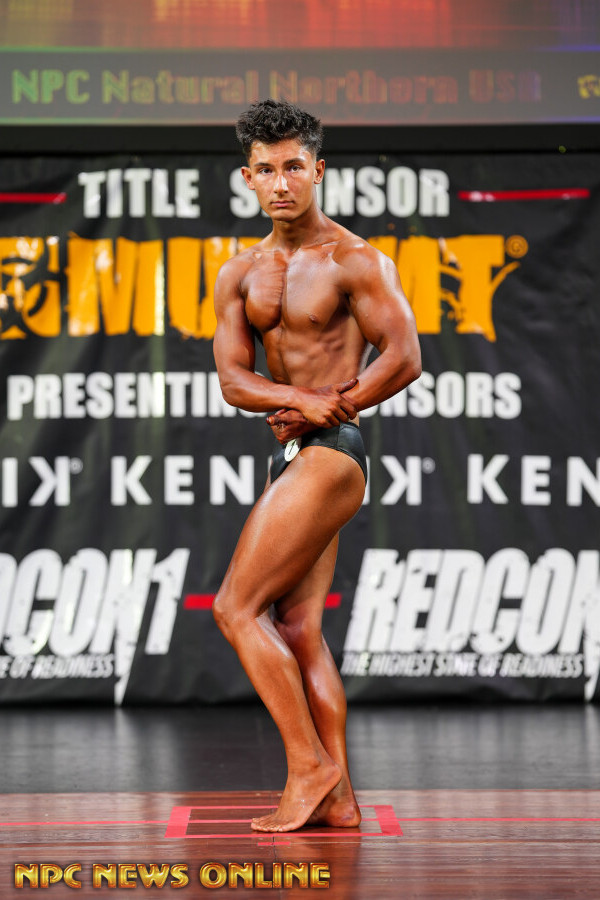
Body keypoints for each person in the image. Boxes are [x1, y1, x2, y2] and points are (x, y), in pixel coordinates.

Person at [212, 99, 421, 833]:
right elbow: (233, 380)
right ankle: (340, 799)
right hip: (293, 453)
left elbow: (404, 356)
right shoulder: (239, 273)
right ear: (247, 177)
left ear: (318, 170)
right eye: (266, 169)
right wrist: (297, 400)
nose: (281, 182)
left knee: (234, 609)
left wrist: (329, 407)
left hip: (333, 455)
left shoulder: (354, 260)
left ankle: (308, 766)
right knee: (298, 627)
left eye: (294, 166)